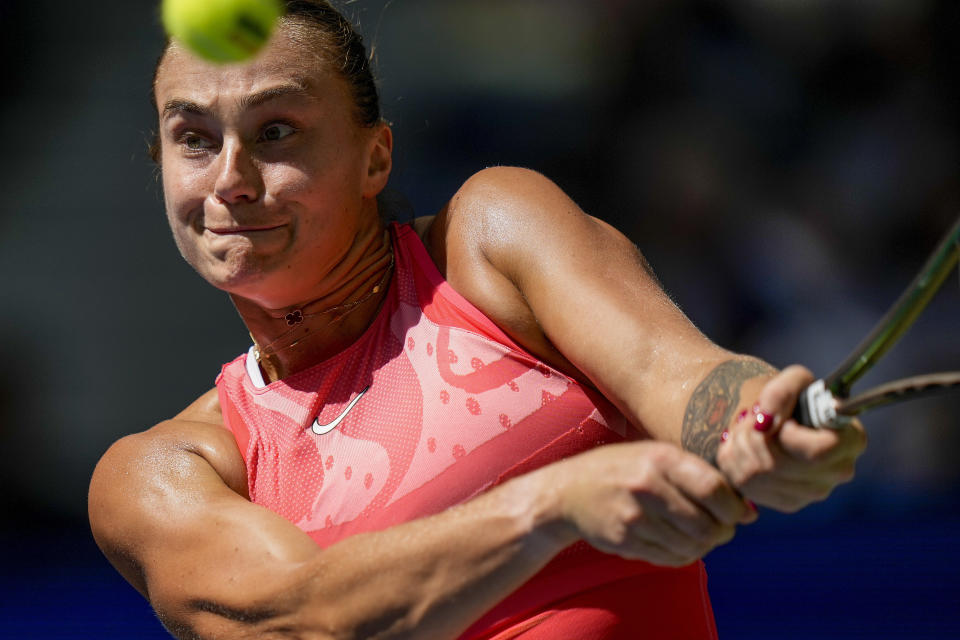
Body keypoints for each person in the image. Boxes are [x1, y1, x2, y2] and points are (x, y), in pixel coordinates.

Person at [88, 2, 867, 638]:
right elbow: (297, 618)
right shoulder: (160, 474)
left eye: (277, 132)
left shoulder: (490, 237)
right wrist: (553, 507)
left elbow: (677, 372)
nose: (230, 179)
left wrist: (755, 420)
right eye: (193, 138)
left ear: (375, 159)